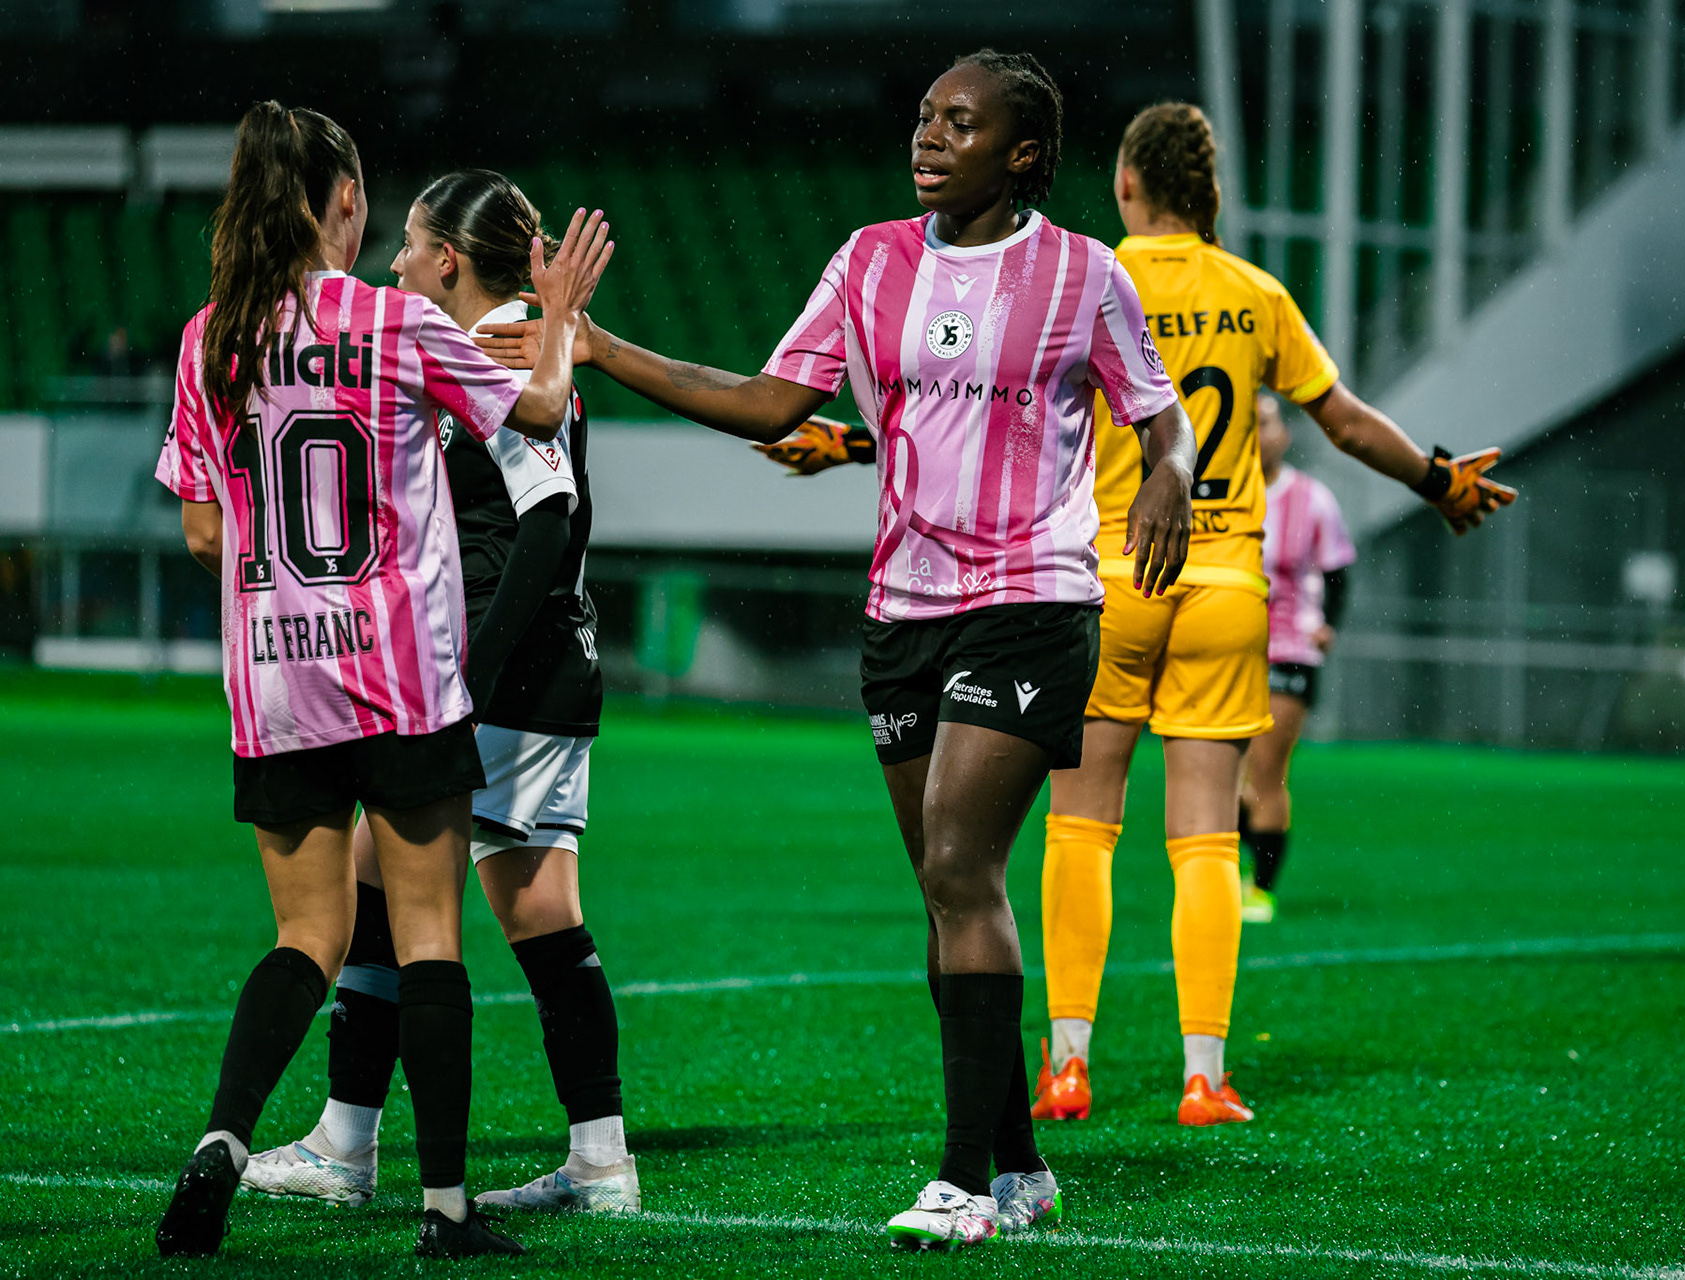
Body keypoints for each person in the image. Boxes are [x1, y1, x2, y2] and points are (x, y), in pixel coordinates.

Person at [478, 49, 1195, 1249]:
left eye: (958, 124)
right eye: (923, 115)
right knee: (941, 886)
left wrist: (1171, 478)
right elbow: (771, 402)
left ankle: (965, 1176)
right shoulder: (871, 261)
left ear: (1022, 153)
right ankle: (1019, 1163)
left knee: (964, 869)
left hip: (1032, 598)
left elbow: (1162, 422)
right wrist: (603, 351)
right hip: (901, 609)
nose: (927, 135)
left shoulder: (1085, 274)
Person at [150, 102, 608, 1259]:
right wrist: (555, 319)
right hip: (402, 675)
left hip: (277, 683)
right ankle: (446, 1207)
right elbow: (543, 411)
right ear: (343, 204)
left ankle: (224, 1138)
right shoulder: (394, 323)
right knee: (429, 935)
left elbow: (205, 534)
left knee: (304, 934)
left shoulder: (213, 337)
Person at [1027, 102, 1514, 1129]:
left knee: (1082, 821)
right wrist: (1437, 478)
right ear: (1208, 197)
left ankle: (1068, 1063)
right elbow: (1339, 419)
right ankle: (1204, 1076)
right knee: (1206, 836)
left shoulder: (1083, 278)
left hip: (1110, 575)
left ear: (1126, 186)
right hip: (1224, 585)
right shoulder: (1254, 295)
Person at [239, 170, 634, 1215]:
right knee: (543, 909)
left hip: (510, 676)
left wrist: (473, 670)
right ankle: (599, 1157)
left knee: (376, 876)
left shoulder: (504, 343)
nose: (398, 262)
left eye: (411, 246)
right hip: (547, 672)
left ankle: (346, 1142)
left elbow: (548, 515)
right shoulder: (511, 337)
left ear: (448, 261)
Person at [1238, 390, 1355, 925]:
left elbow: (1337, 571)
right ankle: (1230, 876)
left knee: (1265, 773)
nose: (1258, 434)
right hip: (1224, 649)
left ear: (1284, 435)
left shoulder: (1313, 500)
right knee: (1223, 777)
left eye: (1266, 423)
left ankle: (1260, 891)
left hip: (1287, 649)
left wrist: (1328, 624)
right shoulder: (1215, 497)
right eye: (1249, 424)